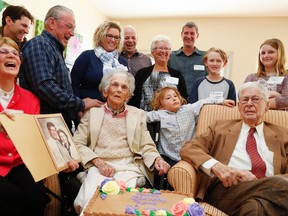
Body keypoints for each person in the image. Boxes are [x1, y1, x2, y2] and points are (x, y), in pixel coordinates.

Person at [180, 81, 288, 215]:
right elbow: (189, 148)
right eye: (244, 100)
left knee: (254, 208)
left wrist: (261, 183)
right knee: (279, 184)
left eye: (255, 99)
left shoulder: (283, 134)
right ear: (239, 106)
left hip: (269, 192)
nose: (249, 104)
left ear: (266, 106)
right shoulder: (219, 127)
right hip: (227, 189)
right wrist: (218, 167)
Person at [73, 69, 170, 213]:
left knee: (123, 203)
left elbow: (146, 145)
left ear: (128, 95)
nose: (119, 90)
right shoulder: (92, 113)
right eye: (114, 85)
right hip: (100, 166)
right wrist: (98, 162)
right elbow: (77, 143)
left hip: (128, 166)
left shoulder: (138, 115)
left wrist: (157, 159)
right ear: (106, 91)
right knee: (88, 201)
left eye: (124, 87)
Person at [19, 5, 102, 131]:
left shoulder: (54, 49)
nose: (72, 33)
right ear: (52, 23)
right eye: (69, 27)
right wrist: (81, 104)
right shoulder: (39, 45)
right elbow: (45, 86)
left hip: (56, 124)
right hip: (45, 127)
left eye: (74, 29)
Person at [0, 37, 46, 216]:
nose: (11, 55)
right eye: (3, 52)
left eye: (15, 53)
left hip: (18, 164)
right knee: (10, 199)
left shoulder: (31, 99)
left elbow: (36, 138)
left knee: (37, 197)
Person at [147, 86, 235, 167]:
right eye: (168, 98)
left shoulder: (188, 109)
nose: (174, 99)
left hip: (188, 154)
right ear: (161, 106)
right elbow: (143, 116)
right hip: (168, 155)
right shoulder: (160, 114)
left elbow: (203, 101)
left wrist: (222, 101)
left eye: (175, 96)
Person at [129, 34, 187, 111]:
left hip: (171, 121)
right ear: (152, 52)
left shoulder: (177, 75)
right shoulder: (141, 74)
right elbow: (134, 99)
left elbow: (183, 100)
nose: (163, 51)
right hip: (145, 119)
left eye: (166, 48)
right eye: (160, 48)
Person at [244, 38, 288, 110]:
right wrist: (277, 96)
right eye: (263, 53)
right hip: (254, 118)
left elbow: (286, 100)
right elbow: (244, 99)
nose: (266, 56)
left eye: (271, 52)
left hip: (279, 119)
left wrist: (256, 102)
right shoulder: (251, 77)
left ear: (280, 54)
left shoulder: (286, 76)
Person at [168, 21, 206, 96]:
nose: (188, 36)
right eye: (186, 33)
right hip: (175, 101)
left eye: (192, 33)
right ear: (181, 34)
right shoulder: (171, 57)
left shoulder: (205, 57)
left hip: (197, 101)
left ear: (197, 36)